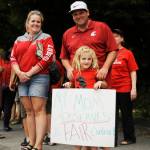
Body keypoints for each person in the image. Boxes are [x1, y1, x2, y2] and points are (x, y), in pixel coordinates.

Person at [10, 10, 56, 150]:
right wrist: (19, 73)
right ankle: (31, 142)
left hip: (39, 77)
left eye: (38, 21)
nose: (35, 23)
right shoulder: (19, 39)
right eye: (33, 21)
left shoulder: (46, 37)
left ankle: (39, 145)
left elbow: (48, 57)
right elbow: (13, 58)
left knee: (39, 110)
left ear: (41, 24)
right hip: (22, 78)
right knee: (29, 112)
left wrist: (28, 73)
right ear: (27, 23)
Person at [60, 1, 117, 89]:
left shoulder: (101, 27)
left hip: (99, 79)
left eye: (81, 13)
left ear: (88, 12)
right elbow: (64, 57)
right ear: (72, 16)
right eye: (75, 14)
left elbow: (113, 50)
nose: (78, 16)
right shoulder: (67, 33)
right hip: (77, 81)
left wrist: (105, 68)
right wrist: (68, 68)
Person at [63, 46, 107, 150]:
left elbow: (106, 84)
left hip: (92, 109)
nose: (86, 61)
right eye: (83, 59)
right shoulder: (74, 72)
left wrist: (100, 82)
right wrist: (69, 84)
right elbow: (74, 85)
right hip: (78, 109)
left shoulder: (95, 71)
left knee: (91, 137)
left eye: (89, 59)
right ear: (78, 59)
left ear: (92, 60)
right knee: (78, 135)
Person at [111, 29, 138, 146]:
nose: (114, 38)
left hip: (124, 88)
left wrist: (134, 88)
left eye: (116, 36)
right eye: (112, 37)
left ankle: (130, 137)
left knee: (126, 114)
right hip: (110, 89)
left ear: (122, 39)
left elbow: (133, 71)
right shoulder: (108, 53)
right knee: (111, 116)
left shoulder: (127, 53)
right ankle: (110, 139)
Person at [43, 60, 64, 146]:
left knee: (47, 112)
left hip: (49, 89)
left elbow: (62, 75)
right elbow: (62, 75)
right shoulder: (56, 62)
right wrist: (59, 85)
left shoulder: (51, 61)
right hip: (54, 89)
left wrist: (58, 85)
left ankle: (49, 135)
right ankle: (50, 135)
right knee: (50, 112)